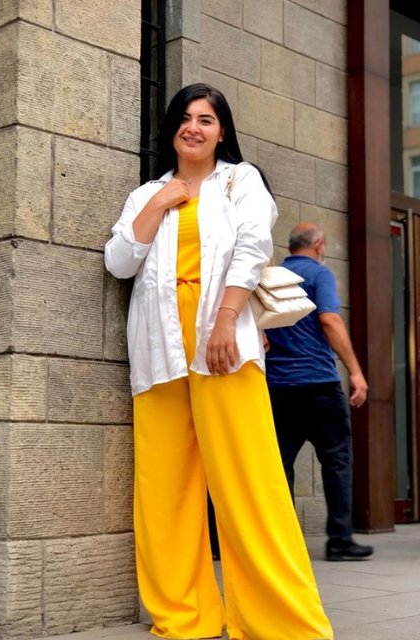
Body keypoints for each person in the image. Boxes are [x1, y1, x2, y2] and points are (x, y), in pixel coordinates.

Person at [105, 84, 333, 640]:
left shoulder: (240, 179)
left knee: (248, 481)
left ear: (221, 130)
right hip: (158, 350)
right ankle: (185, 618)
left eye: (206, 119)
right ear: (172, 130)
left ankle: (280, 622)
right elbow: (119, 262)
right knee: (165, 488)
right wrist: (160, 204)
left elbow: (253, 248)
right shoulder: (146, 194)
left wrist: (226, 320)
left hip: (222, 342)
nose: (194, 127)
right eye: (185, 118)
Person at [264, 222, 373, 563]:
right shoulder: (319, 275)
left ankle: (284, 545)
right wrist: (355, 371)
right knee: (337, 461)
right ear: (320, 245)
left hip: (278, 386)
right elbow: (330, 320)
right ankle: (340, 541)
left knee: (280, 465)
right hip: (318, 384)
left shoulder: (273, 276)